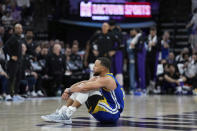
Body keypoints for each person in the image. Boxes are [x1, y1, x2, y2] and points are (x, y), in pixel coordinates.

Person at [41, 57, 125, 123]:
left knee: (86, 89)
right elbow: (82, 83)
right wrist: (68, 89)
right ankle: (62, 112)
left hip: (113, 113)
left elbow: (83, 87)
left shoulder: (108, 79)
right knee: (84, 87)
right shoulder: (99, 78)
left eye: (95, 66)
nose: (93, 68)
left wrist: (69, 90)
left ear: (103, 68)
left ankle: (66, 115)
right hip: (106, 112)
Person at [3, 23, 23, 101]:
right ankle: (8, 94)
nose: (19, 29)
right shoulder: (13, 38)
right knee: (11, 78)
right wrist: (11, 56)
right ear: (14, 29)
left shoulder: (19, 38)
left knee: (18, 78)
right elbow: (5, 48)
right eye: (17, 28)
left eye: (20, 28)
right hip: (12, 63)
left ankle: (15, 94)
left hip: (19, 62)